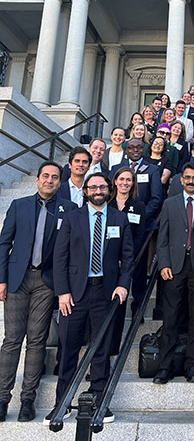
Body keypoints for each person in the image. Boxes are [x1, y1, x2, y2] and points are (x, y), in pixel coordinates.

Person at [48, 172, 134, 424]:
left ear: (109, 190)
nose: (98, 191)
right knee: (68, 348)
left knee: (101, 348)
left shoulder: (120, 218)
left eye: (102, 187)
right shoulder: (72, 218)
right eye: (93, 187)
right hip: (73, 293)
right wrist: (62, 292)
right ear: (85, 191)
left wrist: (122, 285)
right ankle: (61, 403)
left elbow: (128, 257)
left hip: (105, 292)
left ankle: (98, 401)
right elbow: (59, 258)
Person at [0, 162, 76, 423]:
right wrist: (1, 280)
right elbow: (4, 243)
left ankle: (27, 400)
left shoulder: (69, 209)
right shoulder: (19, 206)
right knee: (11, 341)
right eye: (45, 176)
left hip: (47, 282)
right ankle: (2, 398)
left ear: (59, 182)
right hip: (17, 280)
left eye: (55, 178)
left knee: (36, 341)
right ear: (37, 179)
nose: (50, 181)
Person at [154, 163, 194, 384]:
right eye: (187, 177)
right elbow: (161, 239)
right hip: (174, 267)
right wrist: (163, 264)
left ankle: (192, 365)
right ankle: (165, 366)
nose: (191, 181)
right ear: (181, 180)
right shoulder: (169, 204)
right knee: (170, 318)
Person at [108, 167, 146, 338]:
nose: (125, 183)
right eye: (121, 179)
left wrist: (129, 257)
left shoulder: (138, 206)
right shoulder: (106, 204)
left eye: (128, 180)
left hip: (129, 259)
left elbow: (139, 235)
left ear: (133, 183)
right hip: (108, 260)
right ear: (115, 181)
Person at [110, 139, 163, 231]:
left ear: (144, 149)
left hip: (142, 224)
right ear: (126, 150)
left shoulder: (153, 170)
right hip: (116, 220)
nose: (135, 150)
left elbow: (156, 198)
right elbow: (110, 192)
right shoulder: (116, 168)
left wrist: (142, 215)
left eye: (139, 147)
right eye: (131, 148)